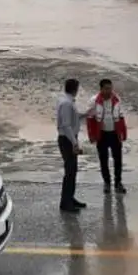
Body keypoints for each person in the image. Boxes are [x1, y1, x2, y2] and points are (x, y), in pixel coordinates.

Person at [87, 78, 127, 194]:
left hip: (114, 133)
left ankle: (118, 182)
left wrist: (123, 133)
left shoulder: (116, 98)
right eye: (106, 88)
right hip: (102, 134)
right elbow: (90, 119)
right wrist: (91, 135)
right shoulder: (94, 101)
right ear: (101, 89)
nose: (109, 91)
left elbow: (121, 116)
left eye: (110, 88)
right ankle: (107, 183)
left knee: (118, 159)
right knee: (103, 160)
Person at [56, 78, 86, 212]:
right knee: (70, 172)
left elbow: (72, 119)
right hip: (67, 140)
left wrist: (85, 115)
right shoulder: (67, 103)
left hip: (69, 139)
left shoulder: (66, 101)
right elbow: (66, 125)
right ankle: (65, 202)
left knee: (72, 171)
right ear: (75, 89)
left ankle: (70, 198)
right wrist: (75, 143)